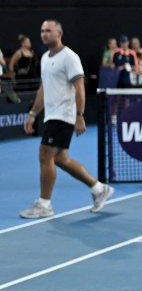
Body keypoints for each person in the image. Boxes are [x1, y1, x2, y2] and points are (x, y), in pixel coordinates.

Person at [19, 20, 114, 218]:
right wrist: (32, 114)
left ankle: (44, 204)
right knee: (60, 159)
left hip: (64, 115)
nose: (44, 34)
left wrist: (79, 115)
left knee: (45, 154)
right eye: (42, 31)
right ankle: (99, 189)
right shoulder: (45, 58)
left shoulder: (70, 57)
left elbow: (80, 87)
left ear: (59, 33)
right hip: (51, 115)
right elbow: (44, 89)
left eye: (49, 31)